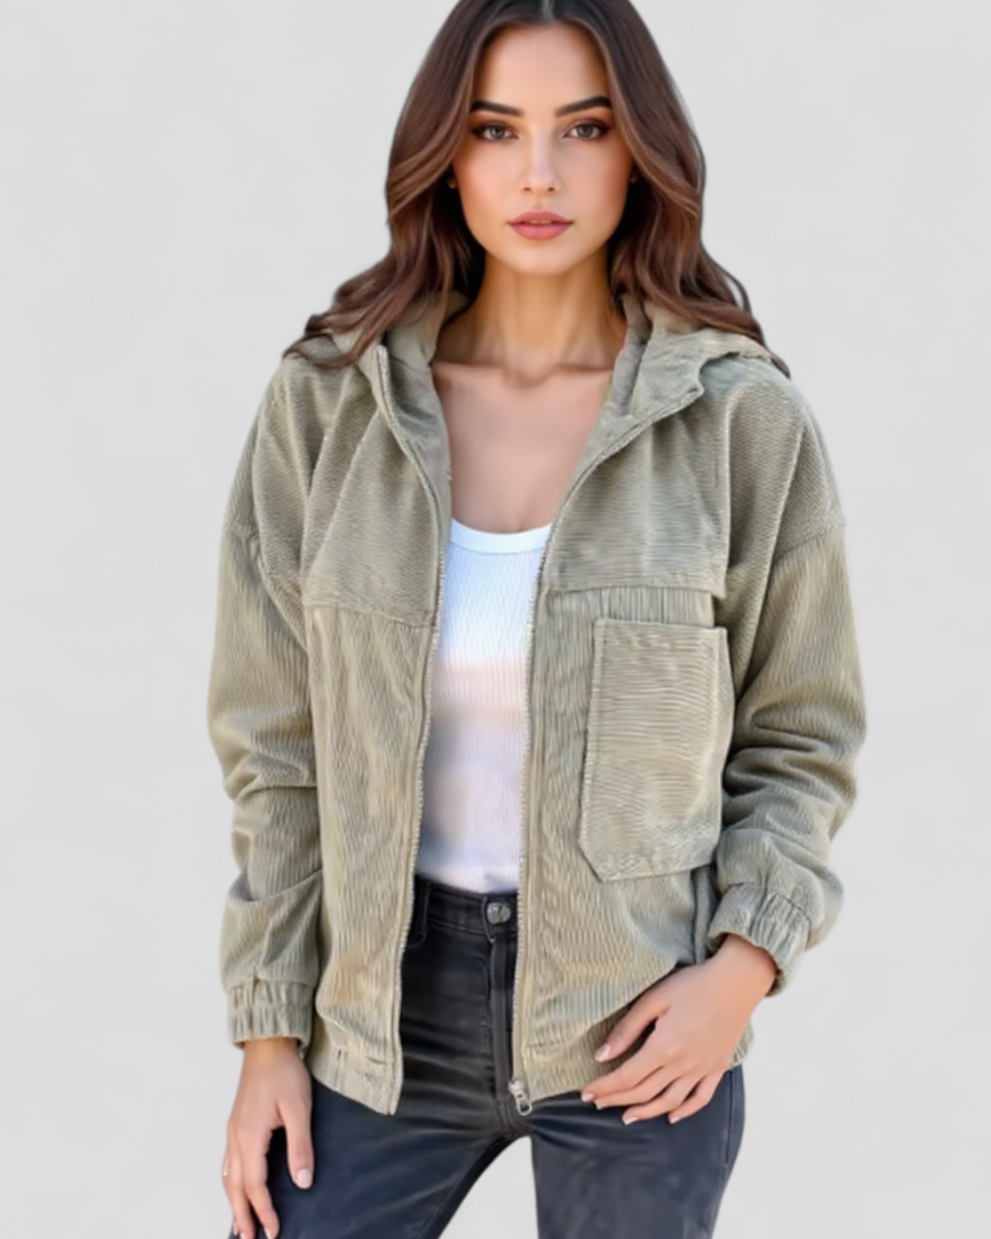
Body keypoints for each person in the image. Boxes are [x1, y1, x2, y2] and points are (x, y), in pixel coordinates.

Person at [206, 2, 866, 1237]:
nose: (540, 175)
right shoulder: (330, 406)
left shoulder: (737, 422)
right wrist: (269, 1036)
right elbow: (277, 751)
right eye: (497, 129)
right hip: (377, 1021)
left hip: (637, 1015)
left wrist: (742, 970)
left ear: (641, 151)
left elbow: (800, 737)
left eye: (586, 128)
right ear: (446, 156)